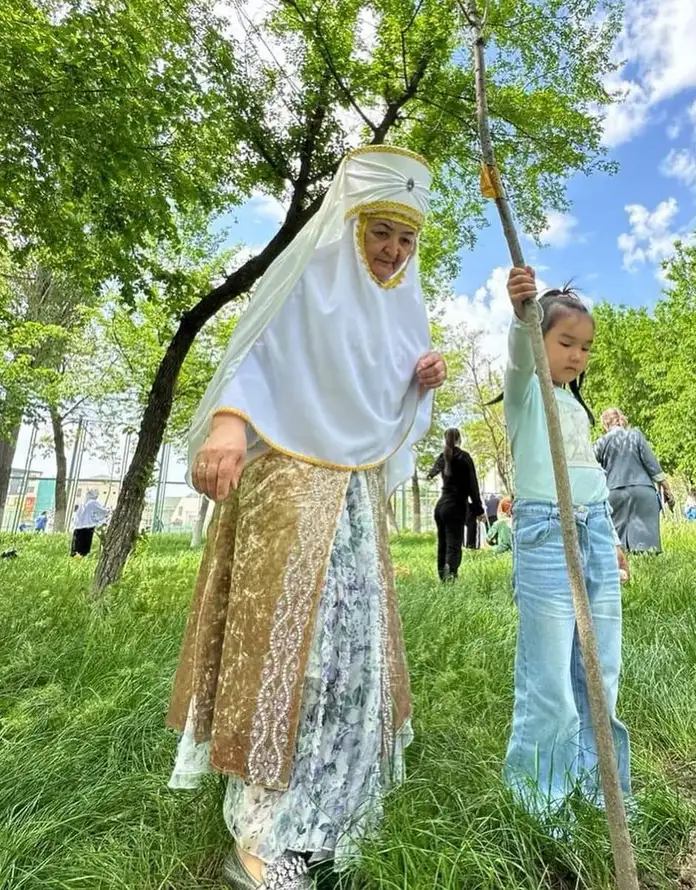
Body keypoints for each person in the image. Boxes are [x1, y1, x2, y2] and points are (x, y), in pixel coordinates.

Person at [165, 146, 447, 890]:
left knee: (349, 657)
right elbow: (255, 359)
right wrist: (228, 423)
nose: (392, 250)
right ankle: (261, 836)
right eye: (381, 230)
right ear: (351, 223)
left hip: (350, 508)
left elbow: (378, 412)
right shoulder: (303, 285)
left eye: (406, 239)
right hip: (286, 490)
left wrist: (417, 384)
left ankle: (332, 814)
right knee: (290, 654)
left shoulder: (398, 311)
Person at [502, 266, 631, 816]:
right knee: (550, 675)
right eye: (564, 342)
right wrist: (521, 316)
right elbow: (519, 359)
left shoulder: (573, 404)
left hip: (595, 527)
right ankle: (541, 800)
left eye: (584, 347)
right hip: (546, 529)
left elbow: (589, 476)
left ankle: (602, 790)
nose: (577, 355)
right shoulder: (526, 393)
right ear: (540, 339)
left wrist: (611, 537)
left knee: (601, 665)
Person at [594, 408, 673, 554]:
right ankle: (647, 565)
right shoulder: (635, 436)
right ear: (622, 420)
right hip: (643, 490)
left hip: (614, 491)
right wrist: (667, 489)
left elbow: (592, 468)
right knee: (647, 544)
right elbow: (652, 465)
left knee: (618, 542)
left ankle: (624, 567)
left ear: (605, 424)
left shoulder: (600, 442)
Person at [428, 428, 483, 581]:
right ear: (459, 439)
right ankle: (451, 577)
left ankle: (442, 577)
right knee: (454, 544)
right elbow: (473, 486)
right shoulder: (464, 457)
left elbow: (432, 471)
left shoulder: (444, 456)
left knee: (442, 543)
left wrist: (431, 473)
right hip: (456, 507)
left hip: (440, 507)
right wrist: (479, 509)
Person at [70, 490, 110, 556]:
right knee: (84, 549)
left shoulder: (84, 503)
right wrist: (108, 512)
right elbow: (102, 511)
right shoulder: (93, 502)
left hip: (78, 528)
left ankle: (75, 560)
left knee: (76, 548)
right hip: (87, 528)